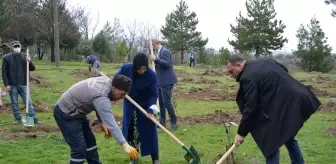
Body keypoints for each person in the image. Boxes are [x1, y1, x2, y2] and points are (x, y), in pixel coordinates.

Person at [226, 55, 321, 164]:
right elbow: (284, 70)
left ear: (239, 65)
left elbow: (250, 106)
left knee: (271, 143)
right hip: (292, 100)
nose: (231, 75)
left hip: (286, 104)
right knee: (288, 136)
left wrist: (241, 133)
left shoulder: (247, 77)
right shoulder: (263, 62)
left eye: (231, 71)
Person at [53, 74, 139, 164]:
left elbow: (97, 104)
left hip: (78, 113)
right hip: (65, 114)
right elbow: (111, 122)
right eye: (122, 94)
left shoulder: (106, 83)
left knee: (91, 143)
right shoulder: (101, 95)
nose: (123, 97)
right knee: (79, 150)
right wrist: (125, 145)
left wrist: (102, 122)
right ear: (115, 88)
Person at [116, 52, 160, 164]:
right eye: (140, 69)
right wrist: (120, 90)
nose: (142, 71)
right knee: (131, 130)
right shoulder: (126, 69)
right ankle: (133, 158)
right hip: (130, 104)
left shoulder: (151, 75)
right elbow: (117, 79)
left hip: (146, 106)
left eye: (144, 69)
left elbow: (154, 94)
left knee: (150, 131)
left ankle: (155, 159)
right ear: (135, 67)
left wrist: (150, 110)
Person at [1, 40, 42, 125]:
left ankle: (33, 118)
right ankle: (17, 118)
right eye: (15, 46)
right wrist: (7, 84)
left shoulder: (25, 56)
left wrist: (29, 61)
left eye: (18, 46)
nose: (17, 48)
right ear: (11, 48)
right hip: (12, 84)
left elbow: (32, 68)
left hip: (23, 83)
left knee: (28, 102)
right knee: (14, 103)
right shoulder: (6, 58)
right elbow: (4, 73)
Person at [150, 39, 178, 130]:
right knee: (161, 102)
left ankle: (174, 122)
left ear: (155, 44)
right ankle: (162, 122)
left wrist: (156, 60)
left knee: (167, 102)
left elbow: (168, 64)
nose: (152, 48)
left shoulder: (165, 51)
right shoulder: (158, 52)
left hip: (167, 81)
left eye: (152, 46)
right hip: (160, 81)